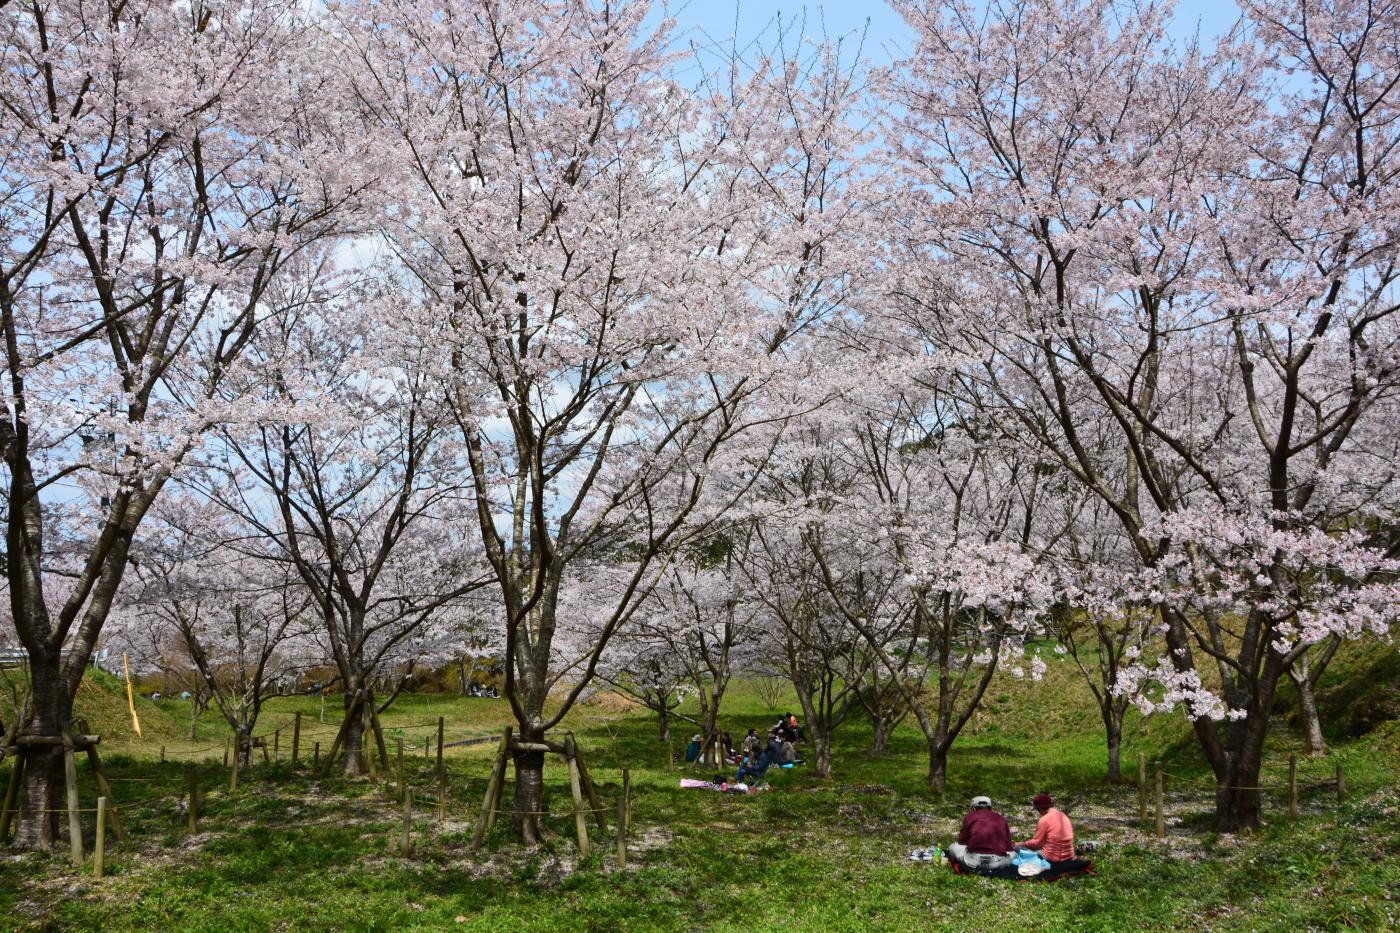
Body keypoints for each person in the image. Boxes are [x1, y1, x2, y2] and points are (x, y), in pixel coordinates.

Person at [946, 795, 1014, 870]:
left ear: (973, 808)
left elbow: (962, 841)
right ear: (990, 808)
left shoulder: (969, 817)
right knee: (1013, 854)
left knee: (953, 847)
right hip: (997, 863)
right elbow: (1009, 847)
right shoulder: (1001, 818)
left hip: (974, 861)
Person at [1020, 793, 1075, 863]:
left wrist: (1021, 843)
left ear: (1039, 808)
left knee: (1018, 849)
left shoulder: (1044, 819)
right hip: (1069, 855)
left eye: (1037, 810)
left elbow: (1036, 843)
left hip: (1051, 858)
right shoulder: (1063, 815)